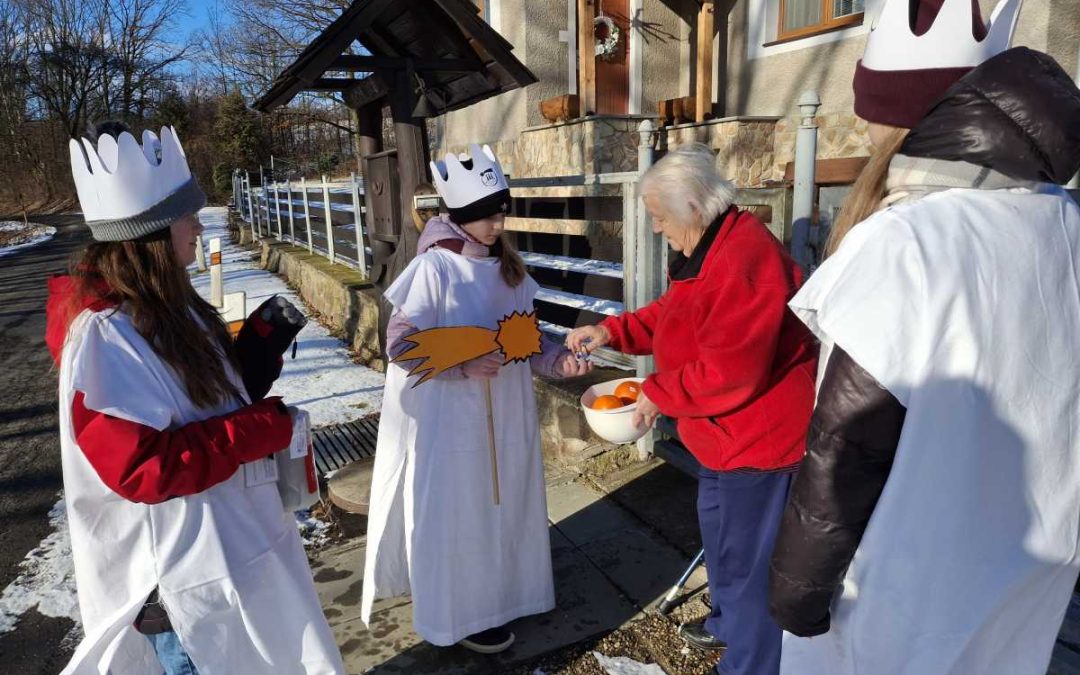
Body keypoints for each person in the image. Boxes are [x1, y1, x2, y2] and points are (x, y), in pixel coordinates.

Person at [767, 0, 1080, 672]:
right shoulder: (1065, 224)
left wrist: (796, 599)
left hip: (897, 598)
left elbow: (845, 448)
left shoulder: (907, 242)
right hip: (1027, 584)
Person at [46, 122, 345, 674]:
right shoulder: (105, 335)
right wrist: (260, 429)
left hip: (229, 546)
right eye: (186, 214)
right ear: (152, 233)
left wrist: (258, 347)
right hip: (183, 585)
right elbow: (144, 467)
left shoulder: (169, 307)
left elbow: (203, 404)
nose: (197, 224)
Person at [565, 145, 818, 675]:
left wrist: (658, 393)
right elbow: (672, 314)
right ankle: (727, 624)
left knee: (753, 566)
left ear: (694, 208)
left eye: (658, 218)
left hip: (761, 441)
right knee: (721, 537)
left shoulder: (745, 261)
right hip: (721, 437)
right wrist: (613, 329)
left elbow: (733, 371)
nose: (656, 229)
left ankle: (750, 663)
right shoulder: (708, 247)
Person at [360, 144, 592, 654]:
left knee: (507, 508)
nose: (499, 222)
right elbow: (399, 345)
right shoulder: (434, 269)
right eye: (488, 215)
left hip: (508, 416)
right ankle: (462, 613)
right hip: (455, 421)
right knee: (463, 514)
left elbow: (529, 339)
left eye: (501, 211)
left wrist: (562, 363)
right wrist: (461, 364)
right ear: (461, 216)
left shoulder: (507, 267)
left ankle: (510, 596)